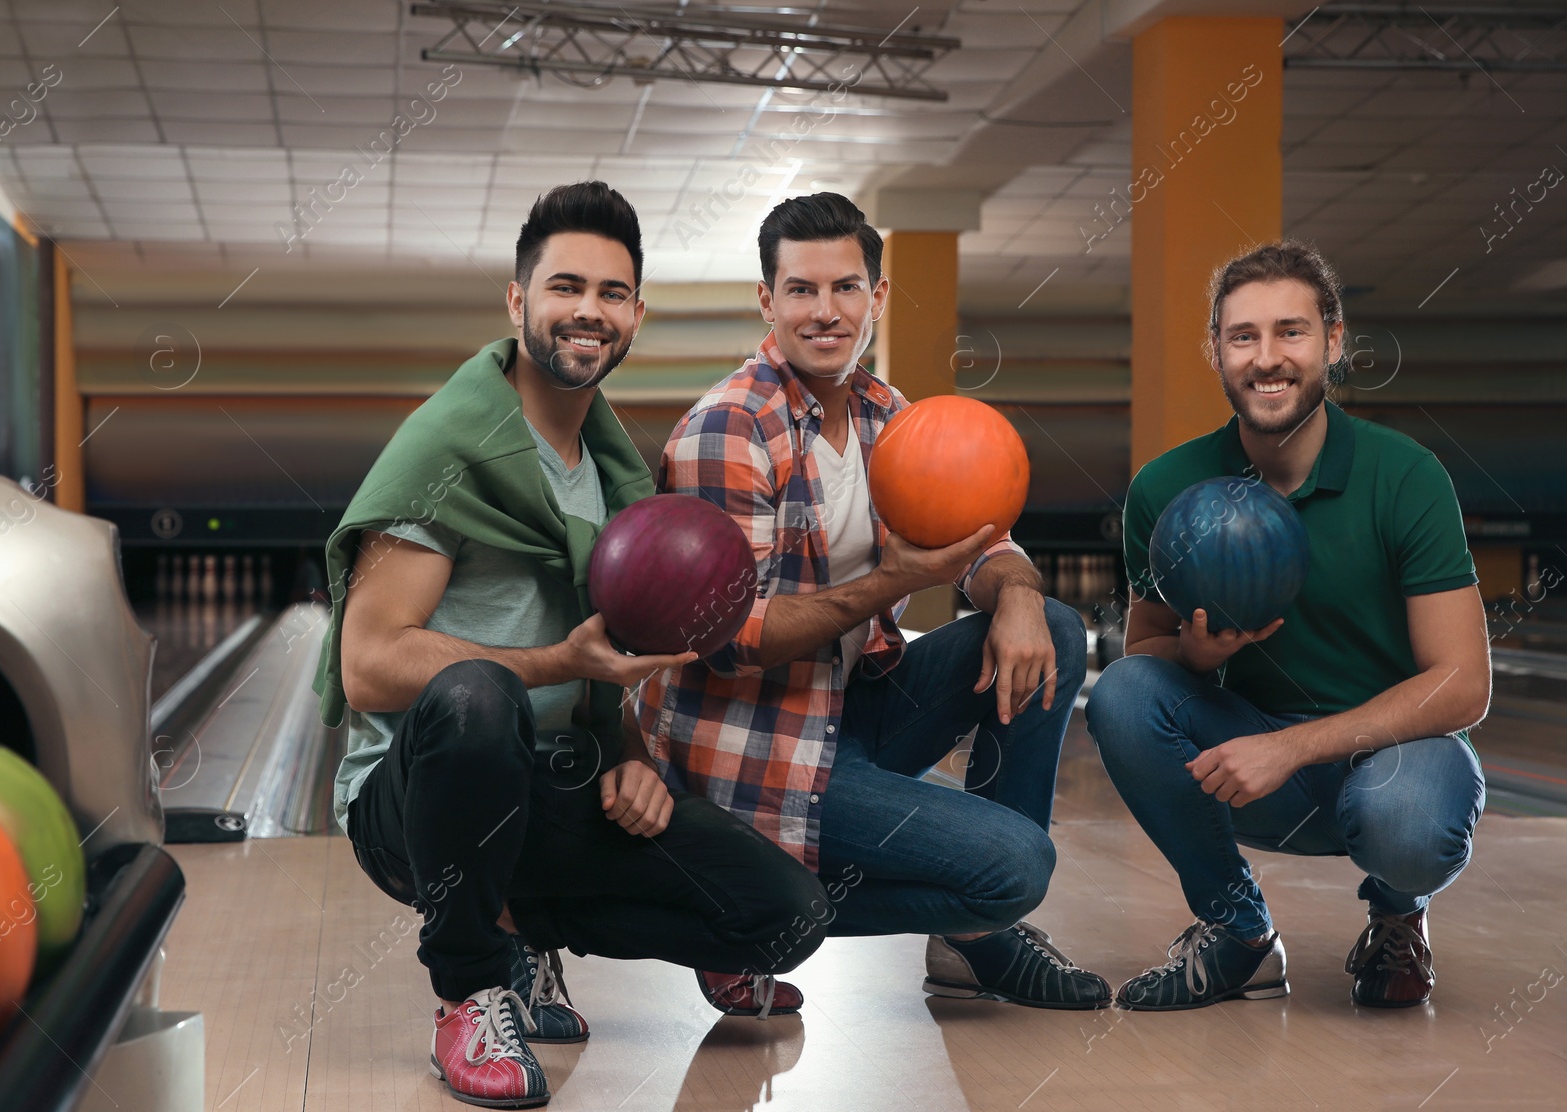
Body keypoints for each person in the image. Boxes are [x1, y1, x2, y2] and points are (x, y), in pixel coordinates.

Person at [316, 182, 829, 1109]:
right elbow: (370, 665)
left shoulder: (610, 470)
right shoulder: (446, 448)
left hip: (552, 784)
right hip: (419, 802)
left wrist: (630, 755)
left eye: (612, 292)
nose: (588, 310)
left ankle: (519, 932)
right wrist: (556, 668)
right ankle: (470, 989)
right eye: (564, 287)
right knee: (480, 695)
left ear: (635, 314)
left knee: (785, 917)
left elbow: (605, 663)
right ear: (517, 303)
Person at [637, 192, 1110, 1011]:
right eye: (802, 290)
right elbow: (731, 639)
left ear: (877, 298)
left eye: (846, 288)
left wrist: (1023, 593)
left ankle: (979, 947)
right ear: (767, 301)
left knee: (1060, 630)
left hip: (854, 714)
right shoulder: (729, 429)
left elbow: (987, 547)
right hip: (757, 749)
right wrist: (892, 582)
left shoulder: (891, 417)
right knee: (1016, 867)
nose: (826, 312)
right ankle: (733, 914)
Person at [1085, 240, 1489, 1011]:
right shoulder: (1168, 488)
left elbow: (1463, 685)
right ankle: (1238, 933)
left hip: (1397, 758)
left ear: (1333, 341)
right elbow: (1145, 657)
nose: (1267, 358)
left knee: (1405, 820)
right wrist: (1197, 655)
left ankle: (1398, 915)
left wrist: (1291, 745)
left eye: (1291, 332)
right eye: (1244, 337)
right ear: (1216, 351)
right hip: (1254, 753)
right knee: (1123, 693)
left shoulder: (1405, 476)